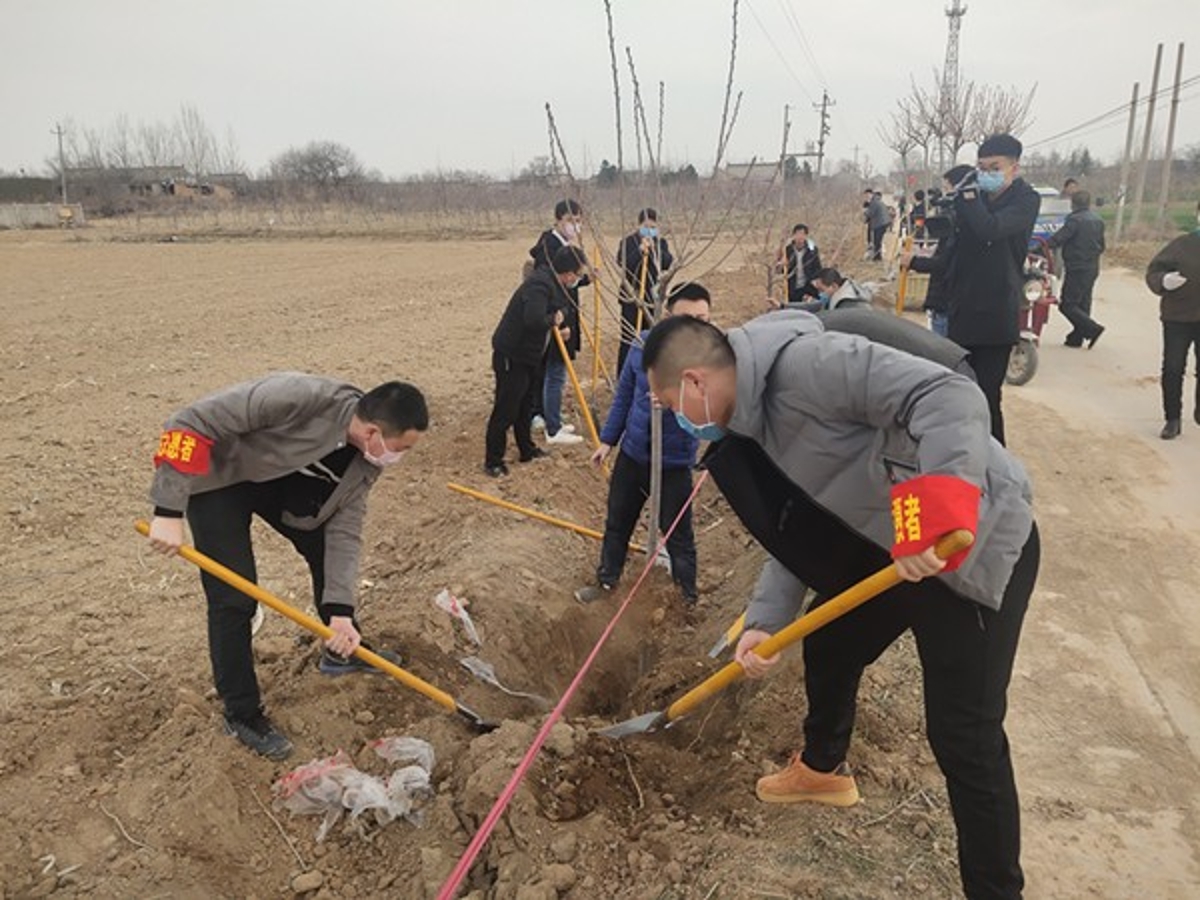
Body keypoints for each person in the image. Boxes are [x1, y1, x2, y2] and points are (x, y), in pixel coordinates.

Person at [641, 312, 1039, 900]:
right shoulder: (748, 428)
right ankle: (824, 770)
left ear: (696, 383)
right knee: (830, 642)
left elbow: (949, 394)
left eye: (666, 400)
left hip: (969, 545)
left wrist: (932, 519)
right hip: (895, 550)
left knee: (965, 739)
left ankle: (997, 891)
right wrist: (766, 622)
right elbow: (798, 531)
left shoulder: (807, 369)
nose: (670, 415)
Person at [146, 374, 429, 760]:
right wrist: (168, 509)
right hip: (220, 480)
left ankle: (342, 648)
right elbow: (188, 422)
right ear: (373, 432)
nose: (401, 457)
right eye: (403, 448)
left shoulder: (366, 462)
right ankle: (242, 714)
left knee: (326, 551)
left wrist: (340, 612)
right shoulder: (301, 396)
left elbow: (344, 532)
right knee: (234, 599)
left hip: (279, 487)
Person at [575, 283, 711, 606]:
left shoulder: (711, 359)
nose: (695, 325)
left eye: (703, 318)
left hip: (674, 461)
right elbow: (623, 395)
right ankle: (607, 582)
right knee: (617, 523)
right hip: (634, 454)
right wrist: (608, 441)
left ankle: (686, 600)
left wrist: (678, 401)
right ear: (668, 315)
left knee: (678, 536)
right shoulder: (642, 345)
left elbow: (712, 411)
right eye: (687, 317)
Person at [947, 133, 1041, 445]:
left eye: (994, 167)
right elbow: (957, 248)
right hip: (963, 308)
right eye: (981, 167)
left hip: (996, 312)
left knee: (986, 396)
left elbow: (991, 229)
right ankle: (961, 455)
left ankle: (995, 466)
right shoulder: (976, 199)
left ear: (1014, 167)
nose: (986, 173)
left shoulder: (1026, 200)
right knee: (958, 394)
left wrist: (969, 196)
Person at [486, 245, 587, 475]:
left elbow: (559, 311)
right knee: (506, 408)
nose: (578, 279)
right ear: (569, 273)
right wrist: (553, 320)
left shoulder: (554, 284)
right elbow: (533, 319)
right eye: (578, 274)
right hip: (512, 355)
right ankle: (493, 460)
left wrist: (557, 327)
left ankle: (527, 450)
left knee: (525, 407)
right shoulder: (539, 284)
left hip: (531, 356)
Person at [529, 200, 588, 446]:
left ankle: (547, 414)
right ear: (558, 220)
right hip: (555, 320)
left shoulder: (562, 245)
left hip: (561, 316)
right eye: (570, 220)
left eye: (578, 220)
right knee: (554, 372)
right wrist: (558, 322)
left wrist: (585, 278)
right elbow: (555, 287)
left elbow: (569, 281)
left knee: (550, 370)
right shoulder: (549, 248)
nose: (575, 225)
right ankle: (549, 424)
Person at [1145, 202, 1200, 440]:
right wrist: (1163, 281)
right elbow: (1153, 271)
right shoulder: (1181, 245)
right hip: (1178, 317)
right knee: (1173, 368)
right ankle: (1172, 419)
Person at [903, 164, 974, 337]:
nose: (944, 194)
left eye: (947, 188)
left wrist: (913, 261)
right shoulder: (961, 220)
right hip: (948, 301)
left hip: (947, 302)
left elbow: (945, 263)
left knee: (944, 356)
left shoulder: (962, 223)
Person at [615, 208, 675, 375]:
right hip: (631, 297)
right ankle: (623, 375)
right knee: (629, 338)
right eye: (646, 226)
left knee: (651, 337)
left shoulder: (660, 243)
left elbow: (667, 262)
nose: (649, 230)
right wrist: (640, 250)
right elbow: (623, 263)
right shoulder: (628, 242)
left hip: (652, 298)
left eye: (653, 226)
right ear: (639, 225)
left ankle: (648, 372)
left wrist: (654, 247)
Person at [1046, 189, 1106, 348]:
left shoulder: (1074, 220)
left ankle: (1093, 329)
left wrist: (1041, 247)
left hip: (1077, 267)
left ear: (1073, 204)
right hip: (1092, 266)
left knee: (1067, 304)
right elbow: (1102, 245)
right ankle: (1076, 338)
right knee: (1083, 303)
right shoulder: (1098, 220)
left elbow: (1059, 238)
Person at [776, 223, 823, 307]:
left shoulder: (812, 250)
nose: (800, 237)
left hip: (808, 285)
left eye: (803, 234)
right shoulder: (787, 250)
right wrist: (782, 265)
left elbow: (818, 267)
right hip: (793, 286)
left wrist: (816, 281)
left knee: (812, 307)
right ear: (793, 235)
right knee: (794, 308)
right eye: (798, 234)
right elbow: (781, 271)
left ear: (806, 236)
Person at [864, 190, 891, 261]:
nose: (867, 197)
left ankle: (877, 257)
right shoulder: (876, 200)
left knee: (877, 241)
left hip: (880, 223)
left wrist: (865, 211)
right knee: (877, 241)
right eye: (866, 196)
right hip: (883, 223)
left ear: (871, 194)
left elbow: (870, 213)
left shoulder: (874, 202)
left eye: (868, 195)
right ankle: (877, 256)